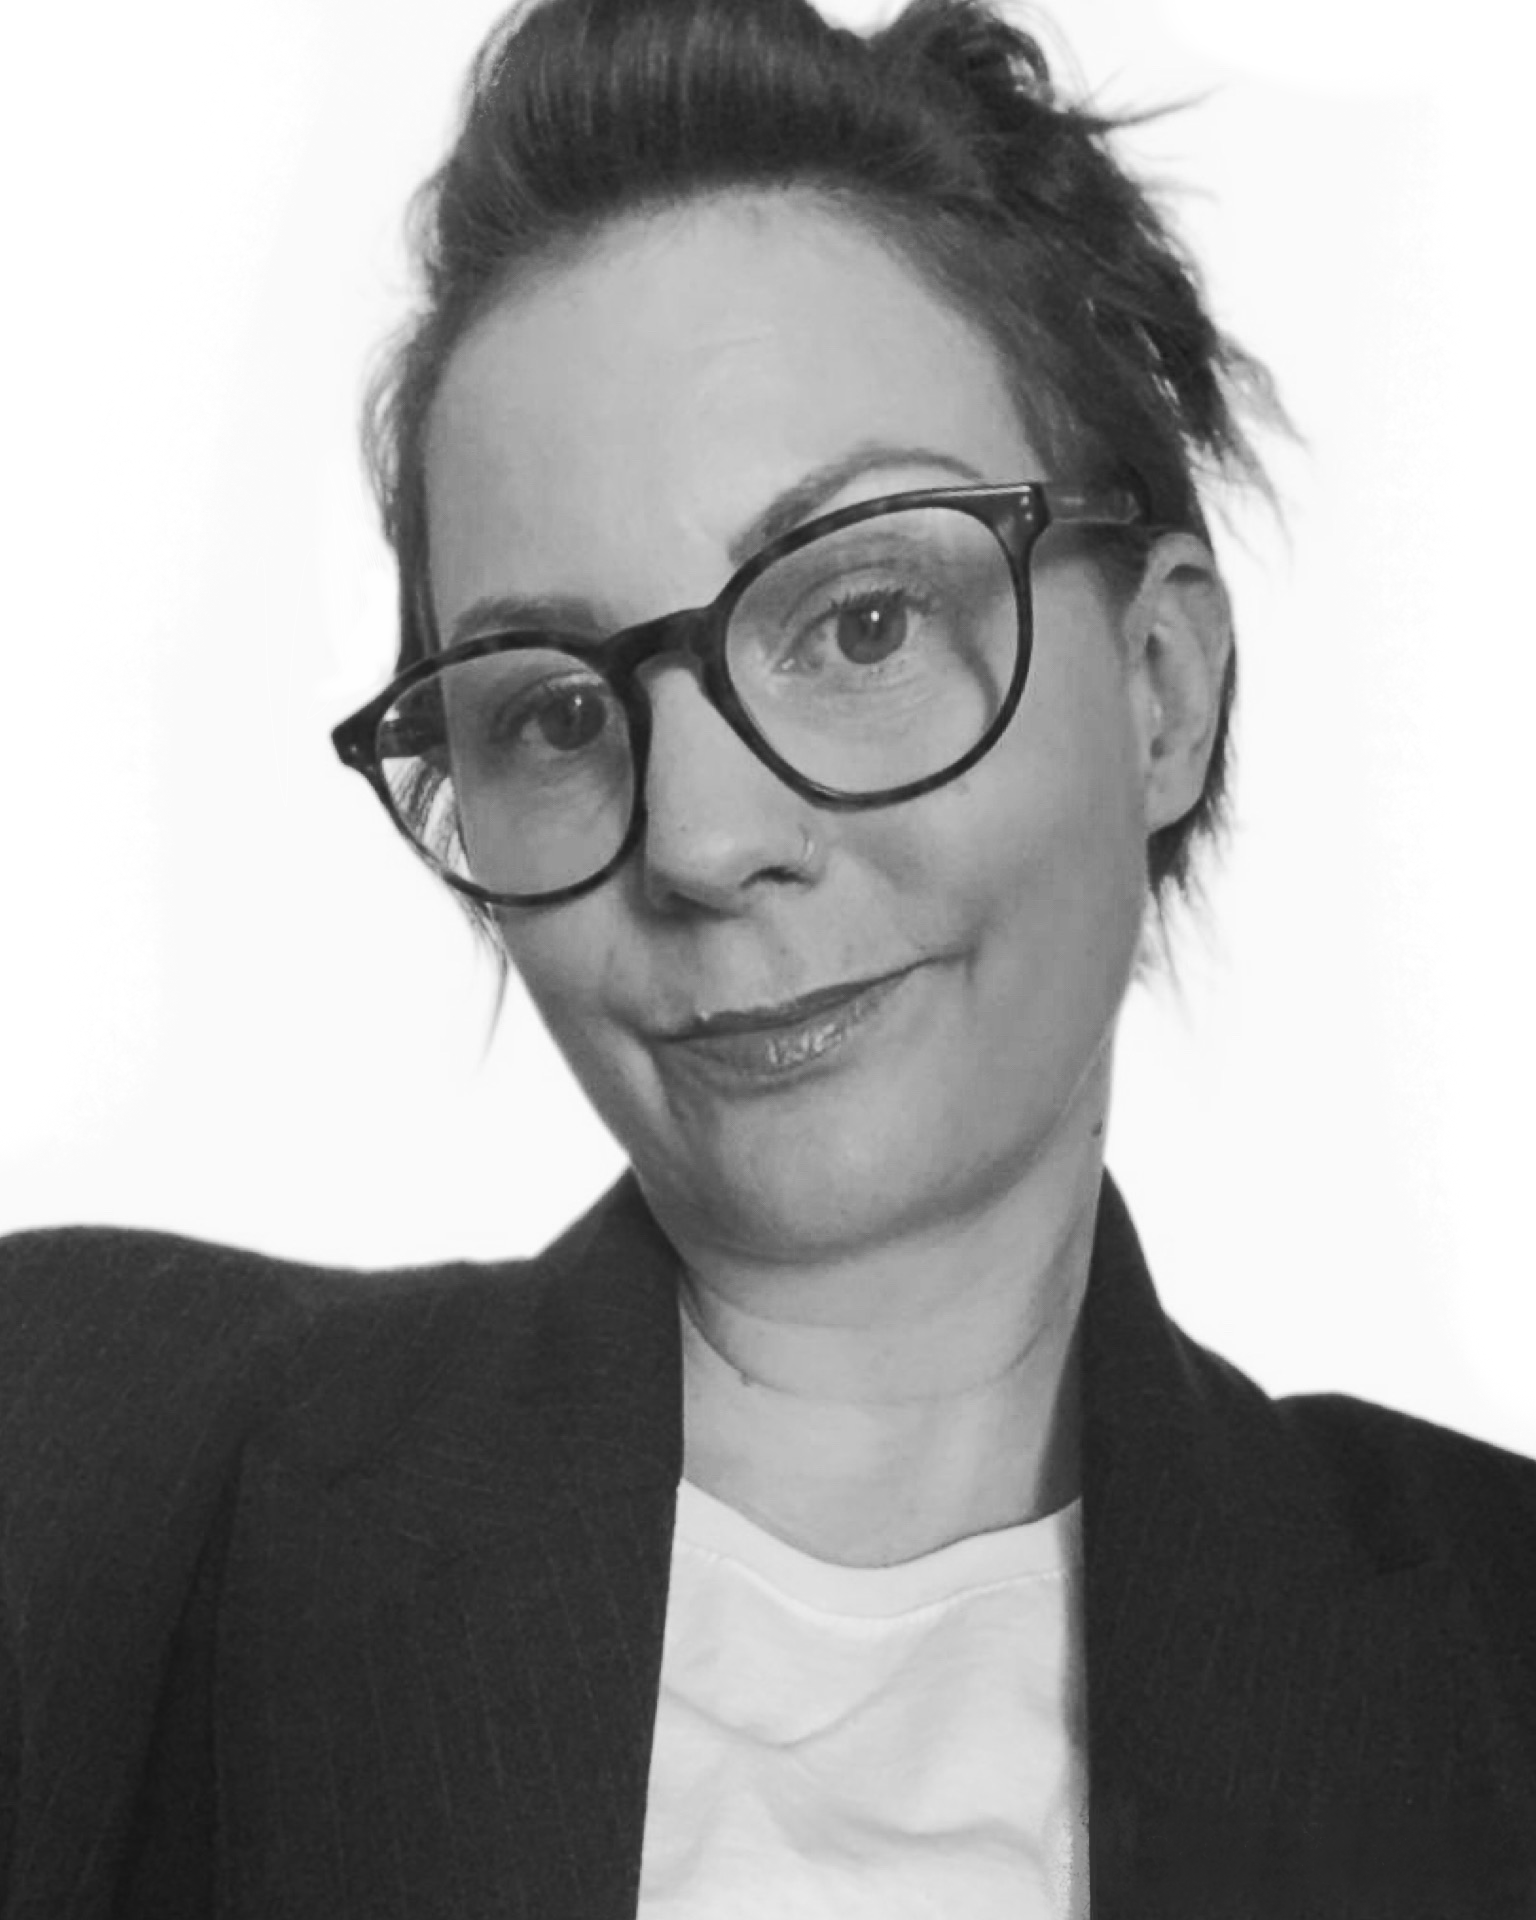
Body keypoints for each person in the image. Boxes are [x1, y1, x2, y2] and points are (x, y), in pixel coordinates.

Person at [2, 0, 1534, 1914]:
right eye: (555, 713)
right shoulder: (75, 1447)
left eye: (862, 621)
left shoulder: (1495, 1647)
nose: (706, 841)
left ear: (1160, 687)